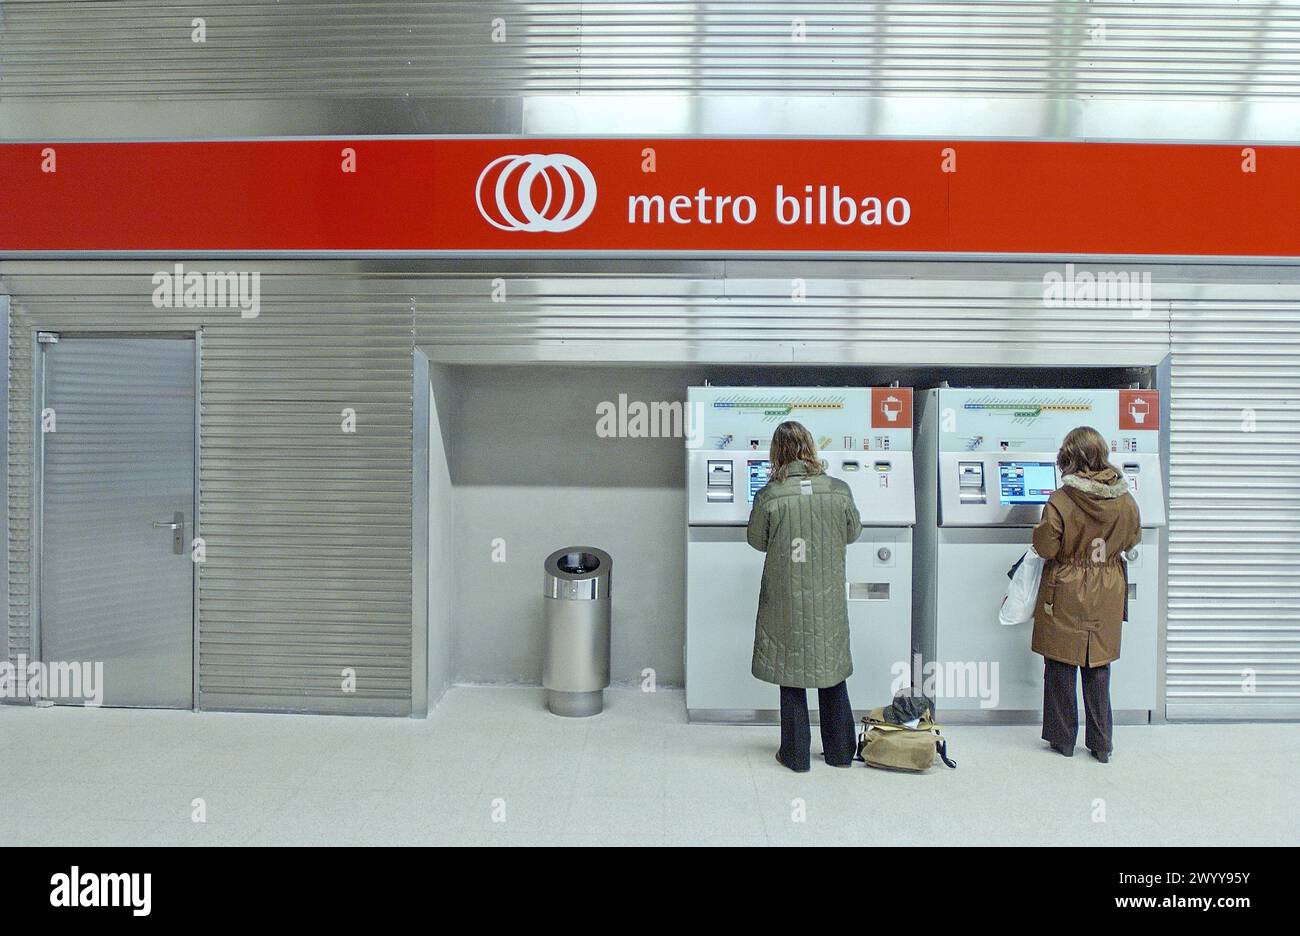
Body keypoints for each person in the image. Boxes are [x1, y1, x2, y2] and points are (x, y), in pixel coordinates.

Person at [746, 421, 862, 771]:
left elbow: (757, 541)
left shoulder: (770, 494)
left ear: (776, 453)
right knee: (831, 671)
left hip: (787, 597)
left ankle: (796, 755)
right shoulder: (839, 490)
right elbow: (852, 532)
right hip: (827, 597)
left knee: (791, 672)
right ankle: (841, 752)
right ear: (811, 447)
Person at [1031, 426, 1141, 763]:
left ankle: (1063, 739)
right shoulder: (1124, 499)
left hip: (1067, 583)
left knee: (1061, 663)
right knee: (1098, 666)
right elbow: (1132, 538)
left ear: (1071, 457)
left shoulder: (1062, 499)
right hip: (1108, 584)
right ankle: (1102, 743)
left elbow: (1047, 545)